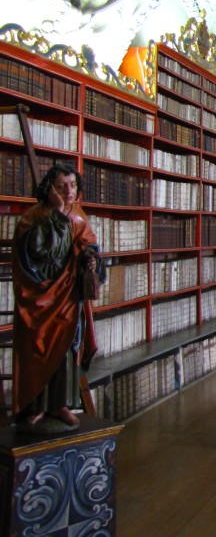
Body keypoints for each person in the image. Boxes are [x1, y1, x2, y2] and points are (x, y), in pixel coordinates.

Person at [12, 162, 106, 434]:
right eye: (62, 186)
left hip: (66, 297)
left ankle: (60, 404)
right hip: (38, 296)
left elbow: (89, 245)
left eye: (73, 185)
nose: (68, 191)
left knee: (66, 351)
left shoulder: (79, 216)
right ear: (49, 189)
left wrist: (90, 258)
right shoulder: (34, 216)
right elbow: (34, 251)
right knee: (35, 350)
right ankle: (34, 404)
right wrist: (57, 215)